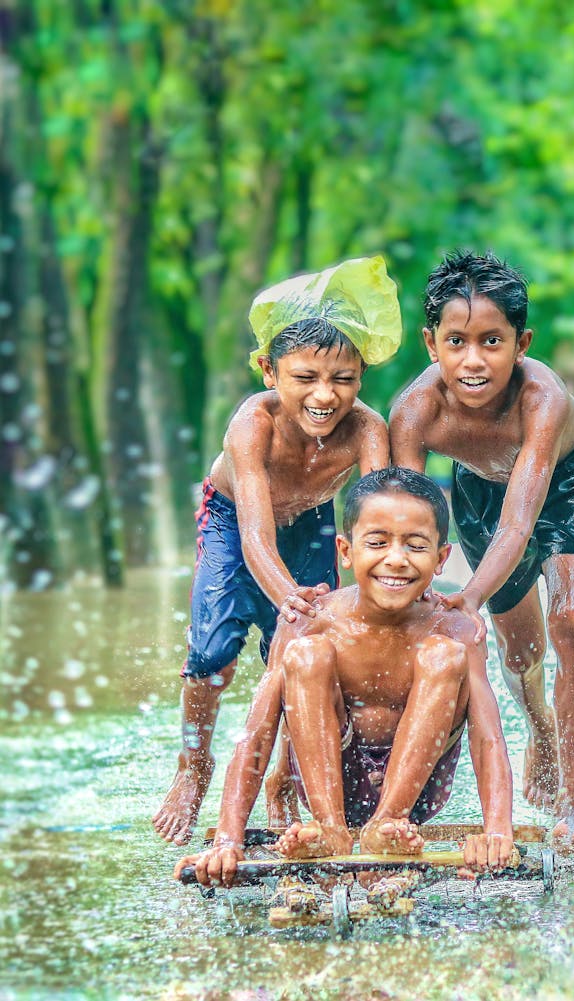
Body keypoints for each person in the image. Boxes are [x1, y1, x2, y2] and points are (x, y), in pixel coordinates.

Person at [153, 256, 402, 846]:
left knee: (305, 652)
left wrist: (369, 603)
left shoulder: (367, 431)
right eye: (305, 378)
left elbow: (379, 521)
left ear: (361, 376)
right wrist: (292, 598)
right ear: (270, 372)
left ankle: (286, 780)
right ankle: (194, 768)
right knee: (213, 654)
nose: (325, 396)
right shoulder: (254, 426)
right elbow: (255, 538)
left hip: (313, 519)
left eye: (342, 379)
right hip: (233, 519)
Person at [175, 467, 514, 887]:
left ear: (441, 558)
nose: (396, 559)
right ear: (346, 551)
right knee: (308, 654)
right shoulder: (308, 620)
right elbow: (257, 734)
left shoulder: (457, 628)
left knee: (445, 656)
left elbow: (487, 736)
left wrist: (497, 831)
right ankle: (330, 829)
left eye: (415, 546)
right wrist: (228, 837)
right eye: (377, 543)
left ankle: (389, 821)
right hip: (330, 782)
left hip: (418, 792)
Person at [389, 251, 574, 857]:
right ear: (431, 343)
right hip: (478, 490)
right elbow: (403, 519)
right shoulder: (415, 412)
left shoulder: (540, 398)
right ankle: (539, 724)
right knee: (521, 650)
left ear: (521, 343)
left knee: (571, 617)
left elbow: (522, 520)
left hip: (569, 479)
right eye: (457, 341)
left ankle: (573, 800)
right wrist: (404, 607)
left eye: (492, 341)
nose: (473, 359)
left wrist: (468, 596)